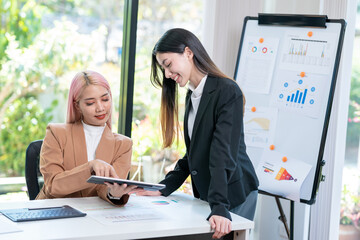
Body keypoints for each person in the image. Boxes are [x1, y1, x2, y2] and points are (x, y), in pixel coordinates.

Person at [132, 28, 259, 239]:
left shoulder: (227, 91)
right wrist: (163, 187)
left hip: (234, 194)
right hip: (213, 195)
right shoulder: (193, 95)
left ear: (188, 52)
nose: (167, 74)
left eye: (168, 64)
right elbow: (194, 154)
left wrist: (219, 204)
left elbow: (222, 152)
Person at [36, 70, 136, 205]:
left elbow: (106, 188)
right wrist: (90, 168)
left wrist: (113, 193)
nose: (100, 108)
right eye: (90, 103)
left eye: (105, 99)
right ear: (77, 106)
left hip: (96, 214)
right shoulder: (56, 133)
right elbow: (53, 186)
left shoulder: (123, 144)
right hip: (55, 211)